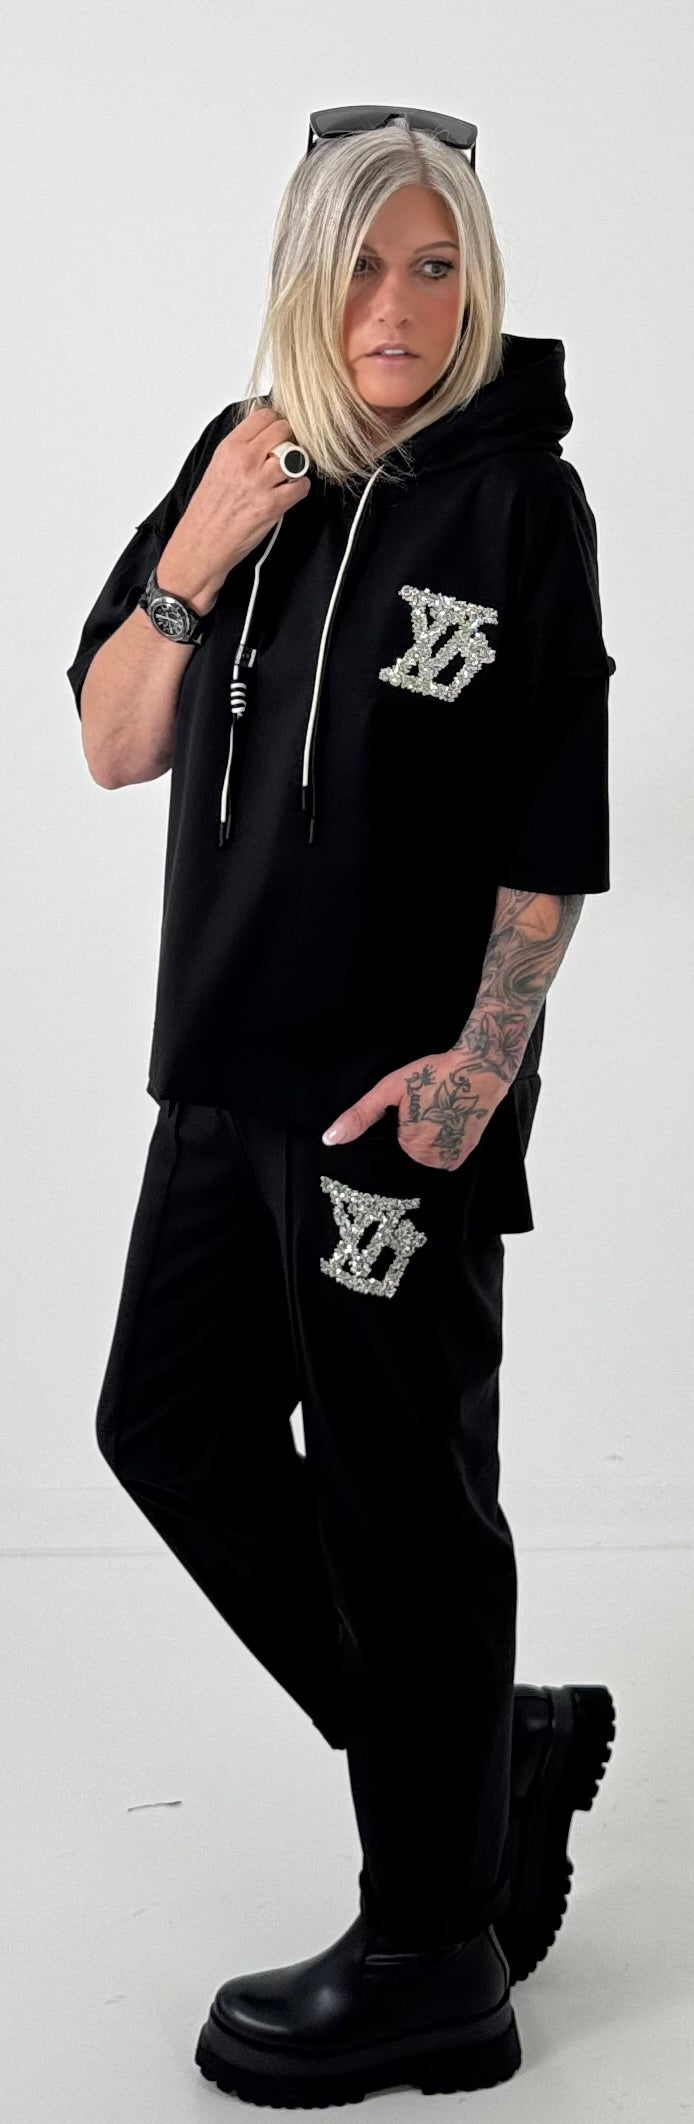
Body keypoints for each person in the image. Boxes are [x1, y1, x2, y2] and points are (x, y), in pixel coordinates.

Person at [65, 106, 617, 2107]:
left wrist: (479, 1067)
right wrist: (200, 550)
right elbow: (113, 740)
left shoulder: (518, 503)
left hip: (394, 1112)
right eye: (363, 264)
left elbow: (548, 821)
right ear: (305, 277)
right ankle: (487, 1761)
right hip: (218, 1077)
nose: (396, 305)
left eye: (434, 265)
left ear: (475, 284)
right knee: (164, 1428)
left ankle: (431, 1957)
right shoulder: (241, 461)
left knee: (402, 1511)